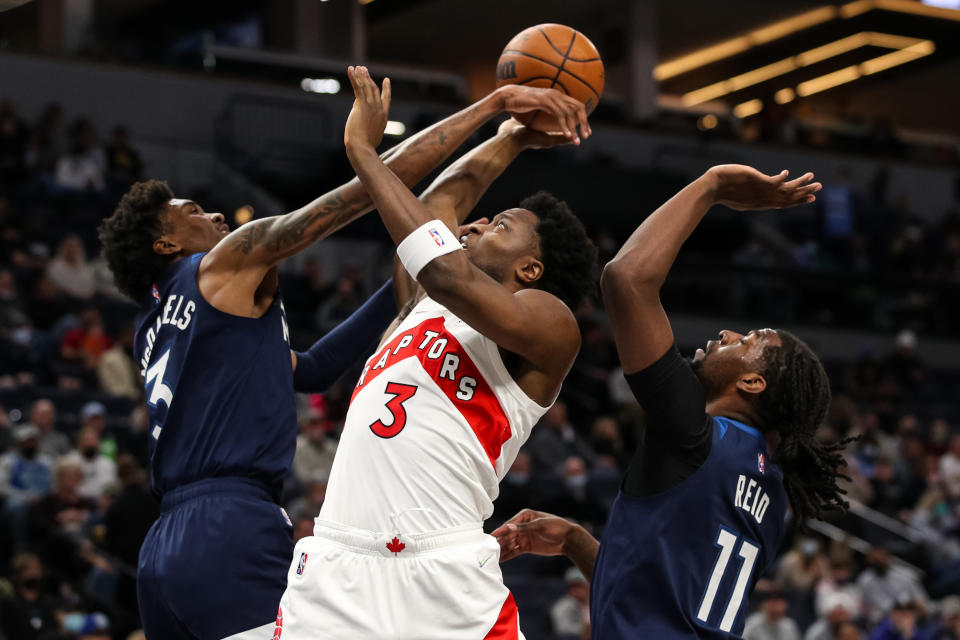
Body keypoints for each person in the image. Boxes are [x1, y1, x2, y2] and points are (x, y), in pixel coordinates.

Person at [97, 78, 587, 640]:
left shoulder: (158, 326)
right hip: (242, 529)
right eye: (194, 212)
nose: (215, 217)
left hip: (172, 542)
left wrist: (508, 138)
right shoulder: (224, 265)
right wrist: (477, 112)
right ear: (165, 244)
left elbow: (316, 368)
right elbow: (372, 201)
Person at [274, 66, 595, 639]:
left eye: (499, 226)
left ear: (530, 269)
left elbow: (443, 265)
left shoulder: (549, 322)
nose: (474, 226)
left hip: (443, 577)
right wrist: (508, 130)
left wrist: (362, 151)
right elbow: (437, 203)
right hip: (336, 567)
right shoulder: (420, 300)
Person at [495, 164, 852, 639]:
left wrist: (713, 185)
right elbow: (662, 600)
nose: (727, 334)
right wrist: (578, 543)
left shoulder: (696, 437)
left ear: (751, 384)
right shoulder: (772, 491)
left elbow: (625, 279)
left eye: (747, 341)